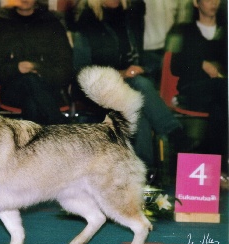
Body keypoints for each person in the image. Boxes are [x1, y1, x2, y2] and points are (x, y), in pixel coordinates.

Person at [72, 0, 192, 177]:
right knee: (140, 86)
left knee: (137, 102)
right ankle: (174, 133)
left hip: (131, 84)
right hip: (98, 88)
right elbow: (82, 69)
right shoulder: (86, 22)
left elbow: (145, 59)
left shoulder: (131, 16)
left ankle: (144, 173)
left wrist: (141, 68)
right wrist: (120, 74)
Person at [0, 0, 73, 125]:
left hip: (48, 86)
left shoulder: (52, 24)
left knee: (32, 100)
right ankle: (60, 126)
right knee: (29, 80)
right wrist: (16, 68)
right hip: (12, 90)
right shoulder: (1, 26)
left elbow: (65, 67)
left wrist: (39, 69)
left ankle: (39, 139)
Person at [171, 0, 228, 174]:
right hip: (192, 90)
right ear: (196, 3)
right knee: (222, 89)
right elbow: (175, 65)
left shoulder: (225, 31)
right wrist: (201, 64)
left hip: (218, 94)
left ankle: (216, 170)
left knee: (218, 108)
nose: (214, 3)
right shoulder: (183, 30)